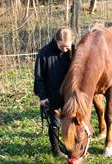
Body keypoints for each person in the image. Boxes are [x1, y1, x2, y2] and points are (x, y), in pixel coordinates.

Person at [34, 27, 75, 157]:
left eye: (67, 47)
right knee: (55, 123)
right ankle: (56, 150)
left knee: (71, 121)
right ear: (56, 40)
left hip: (70, 95)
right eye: (61, 46)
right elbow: (39, 77)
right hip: (52, 95)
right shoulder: (44, 53)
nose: (64, 49)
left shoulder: (74, 51)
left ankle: (71, 146)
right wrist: (43, 96)